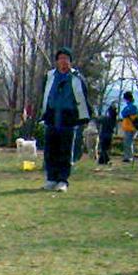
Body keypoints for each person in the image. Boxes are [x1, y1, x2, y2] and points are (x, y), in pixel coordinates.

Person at [39, 47, 92, 192]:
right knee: (50, 150)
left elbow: (84, 98)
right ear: (56, 61)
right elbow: (43, 95)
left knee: (66, 150)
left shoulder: (76, 78)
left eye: (66, 59)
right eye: (61, 59)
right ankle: (51, 178)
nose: (63, 62)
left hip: (68, 118)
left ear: (70, 62)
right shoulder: (50, 76)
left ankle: (63, 180)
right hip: (51, 116)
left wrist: (84, 117)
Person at [120, 91, 138, 163]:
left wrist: (126, 113)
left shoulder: (132, 106)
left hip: (130, 127)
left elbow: (124, 113)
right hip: (128, 127)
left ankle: (129, 157)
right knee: (128, 143)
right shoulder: (131, 106)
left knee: (128, 143)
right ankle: (128, 156)